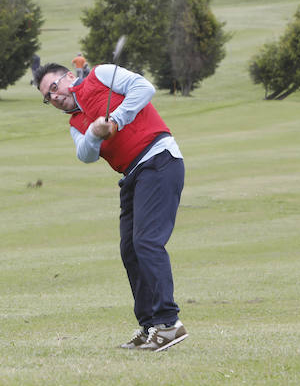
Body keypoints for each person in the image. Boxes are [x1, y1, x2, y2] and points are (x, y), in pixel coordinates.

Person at [35, 61, 188, 352]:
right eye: (47, 97)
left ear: (70, 76)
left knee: (147, 242)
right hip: (132, 174)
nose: (54, 97)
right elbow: (86, 155)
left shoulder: (101, 75)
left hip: (159, 159)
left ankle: (169, 323)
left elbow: (144, 88)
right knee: (130, 250)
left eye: (54, 88)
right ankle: (150, 326)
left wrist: (116, 119)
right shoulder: (75, 124)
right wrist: (94, 132)